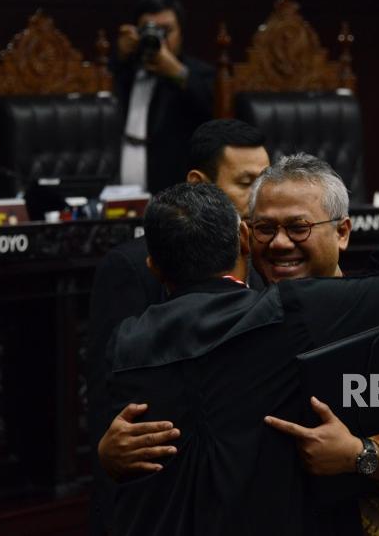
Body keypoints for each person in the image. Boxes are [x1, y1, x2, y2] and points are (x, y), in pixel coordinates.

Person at [101, 154, 379, 535]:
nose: (279, 243)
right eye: (264, 227)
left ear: (342, 232)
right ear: (245, 237)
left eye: (299, 227)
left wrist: (359, 455)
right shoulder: (232, 324)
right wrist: (113, 452)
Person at [87, 119, 269, 535]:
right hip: (158, 492)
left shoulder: (264, 248)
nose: (261, 196)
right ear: (198, 183)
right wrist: (106, 454)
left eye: (266, 180)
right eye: (246, 182)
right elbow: (108, 396)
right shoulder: (131, 267)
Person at [112, 0, 214, 194]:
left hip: (174, 196)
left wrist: (177, 73)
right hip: (118, 197)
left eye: (165, 31)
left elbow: (214, 109)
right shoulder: (123, 71)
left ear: (181, 33)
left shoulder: (198, 74)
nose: (157, 38)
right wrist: (120, 56)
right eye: (148, 30)